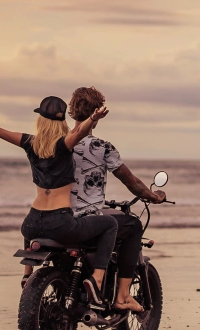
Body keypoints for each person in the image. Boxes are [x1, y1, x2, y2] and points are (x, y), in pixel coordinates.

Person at [0, 95, 118, 306]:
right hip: (60, 222)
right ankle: (97, 278)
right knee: (110, 223)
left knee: (32, 230)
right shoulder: (64, 145)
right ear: (62, 122)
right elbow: (81, 132)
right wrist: (93, 119)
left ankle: (27, 273)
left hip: (31, 223)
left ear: (40, 120)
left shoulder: (30, 143)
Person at [67, 86, 166, 313]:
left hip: (61, 217)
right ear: (97, 114)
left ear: (72, 112)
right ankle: (122, 296)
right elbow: (131, 182)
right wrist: (153, 196)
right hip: (88, 219)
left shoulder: (60, 143)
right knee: (133, 225)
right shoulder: (101, 147)